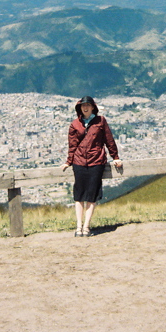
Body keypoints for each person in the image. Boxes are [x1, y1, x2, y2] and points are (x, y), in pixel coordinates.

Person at [61, 95, 122, 237]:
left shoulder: (101, 121)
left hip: (96, 162)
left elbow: (109, 140)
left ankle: (86, 226)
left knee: (92, 195)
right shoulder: (75, 124)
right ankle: (78, 226)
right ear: (79, 108)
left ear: (93, 107)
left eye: (88, 105)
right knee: (79, 194)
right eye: (83, 105)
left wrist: (116, 157)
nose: (86, 107)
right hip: (79, 162)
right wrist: (69, 161)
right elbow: (72, 145)